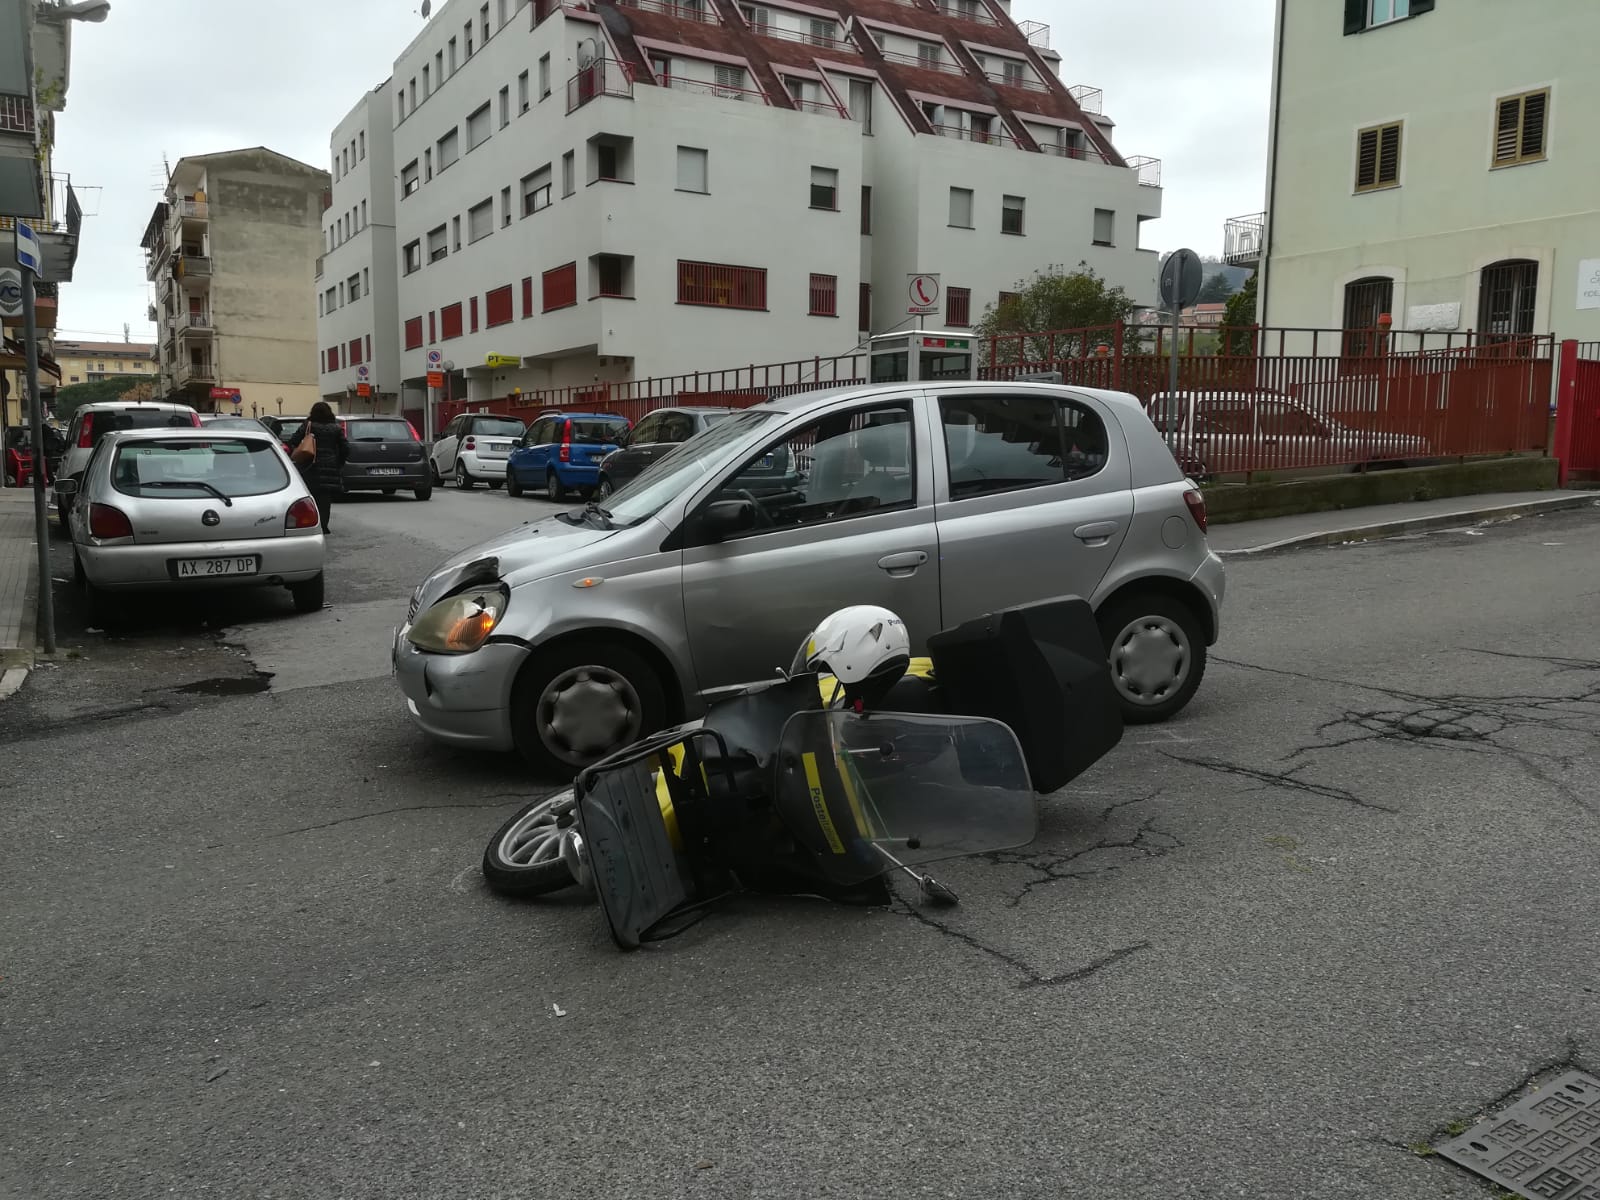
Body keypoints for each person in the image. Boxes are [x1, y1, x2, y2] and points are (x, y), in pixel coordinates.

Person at [287, 402, 349, 534]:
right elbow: (345, 448)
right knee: (325, 498)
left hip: (309, 465)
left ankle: (311, 523)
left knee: (310, 496)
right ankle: (324, 526)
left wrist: (300, 454)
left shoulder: (308, 425)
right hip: (330, 466)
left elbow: (293, 440)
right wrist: (339, 462)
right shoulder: (336, 428)